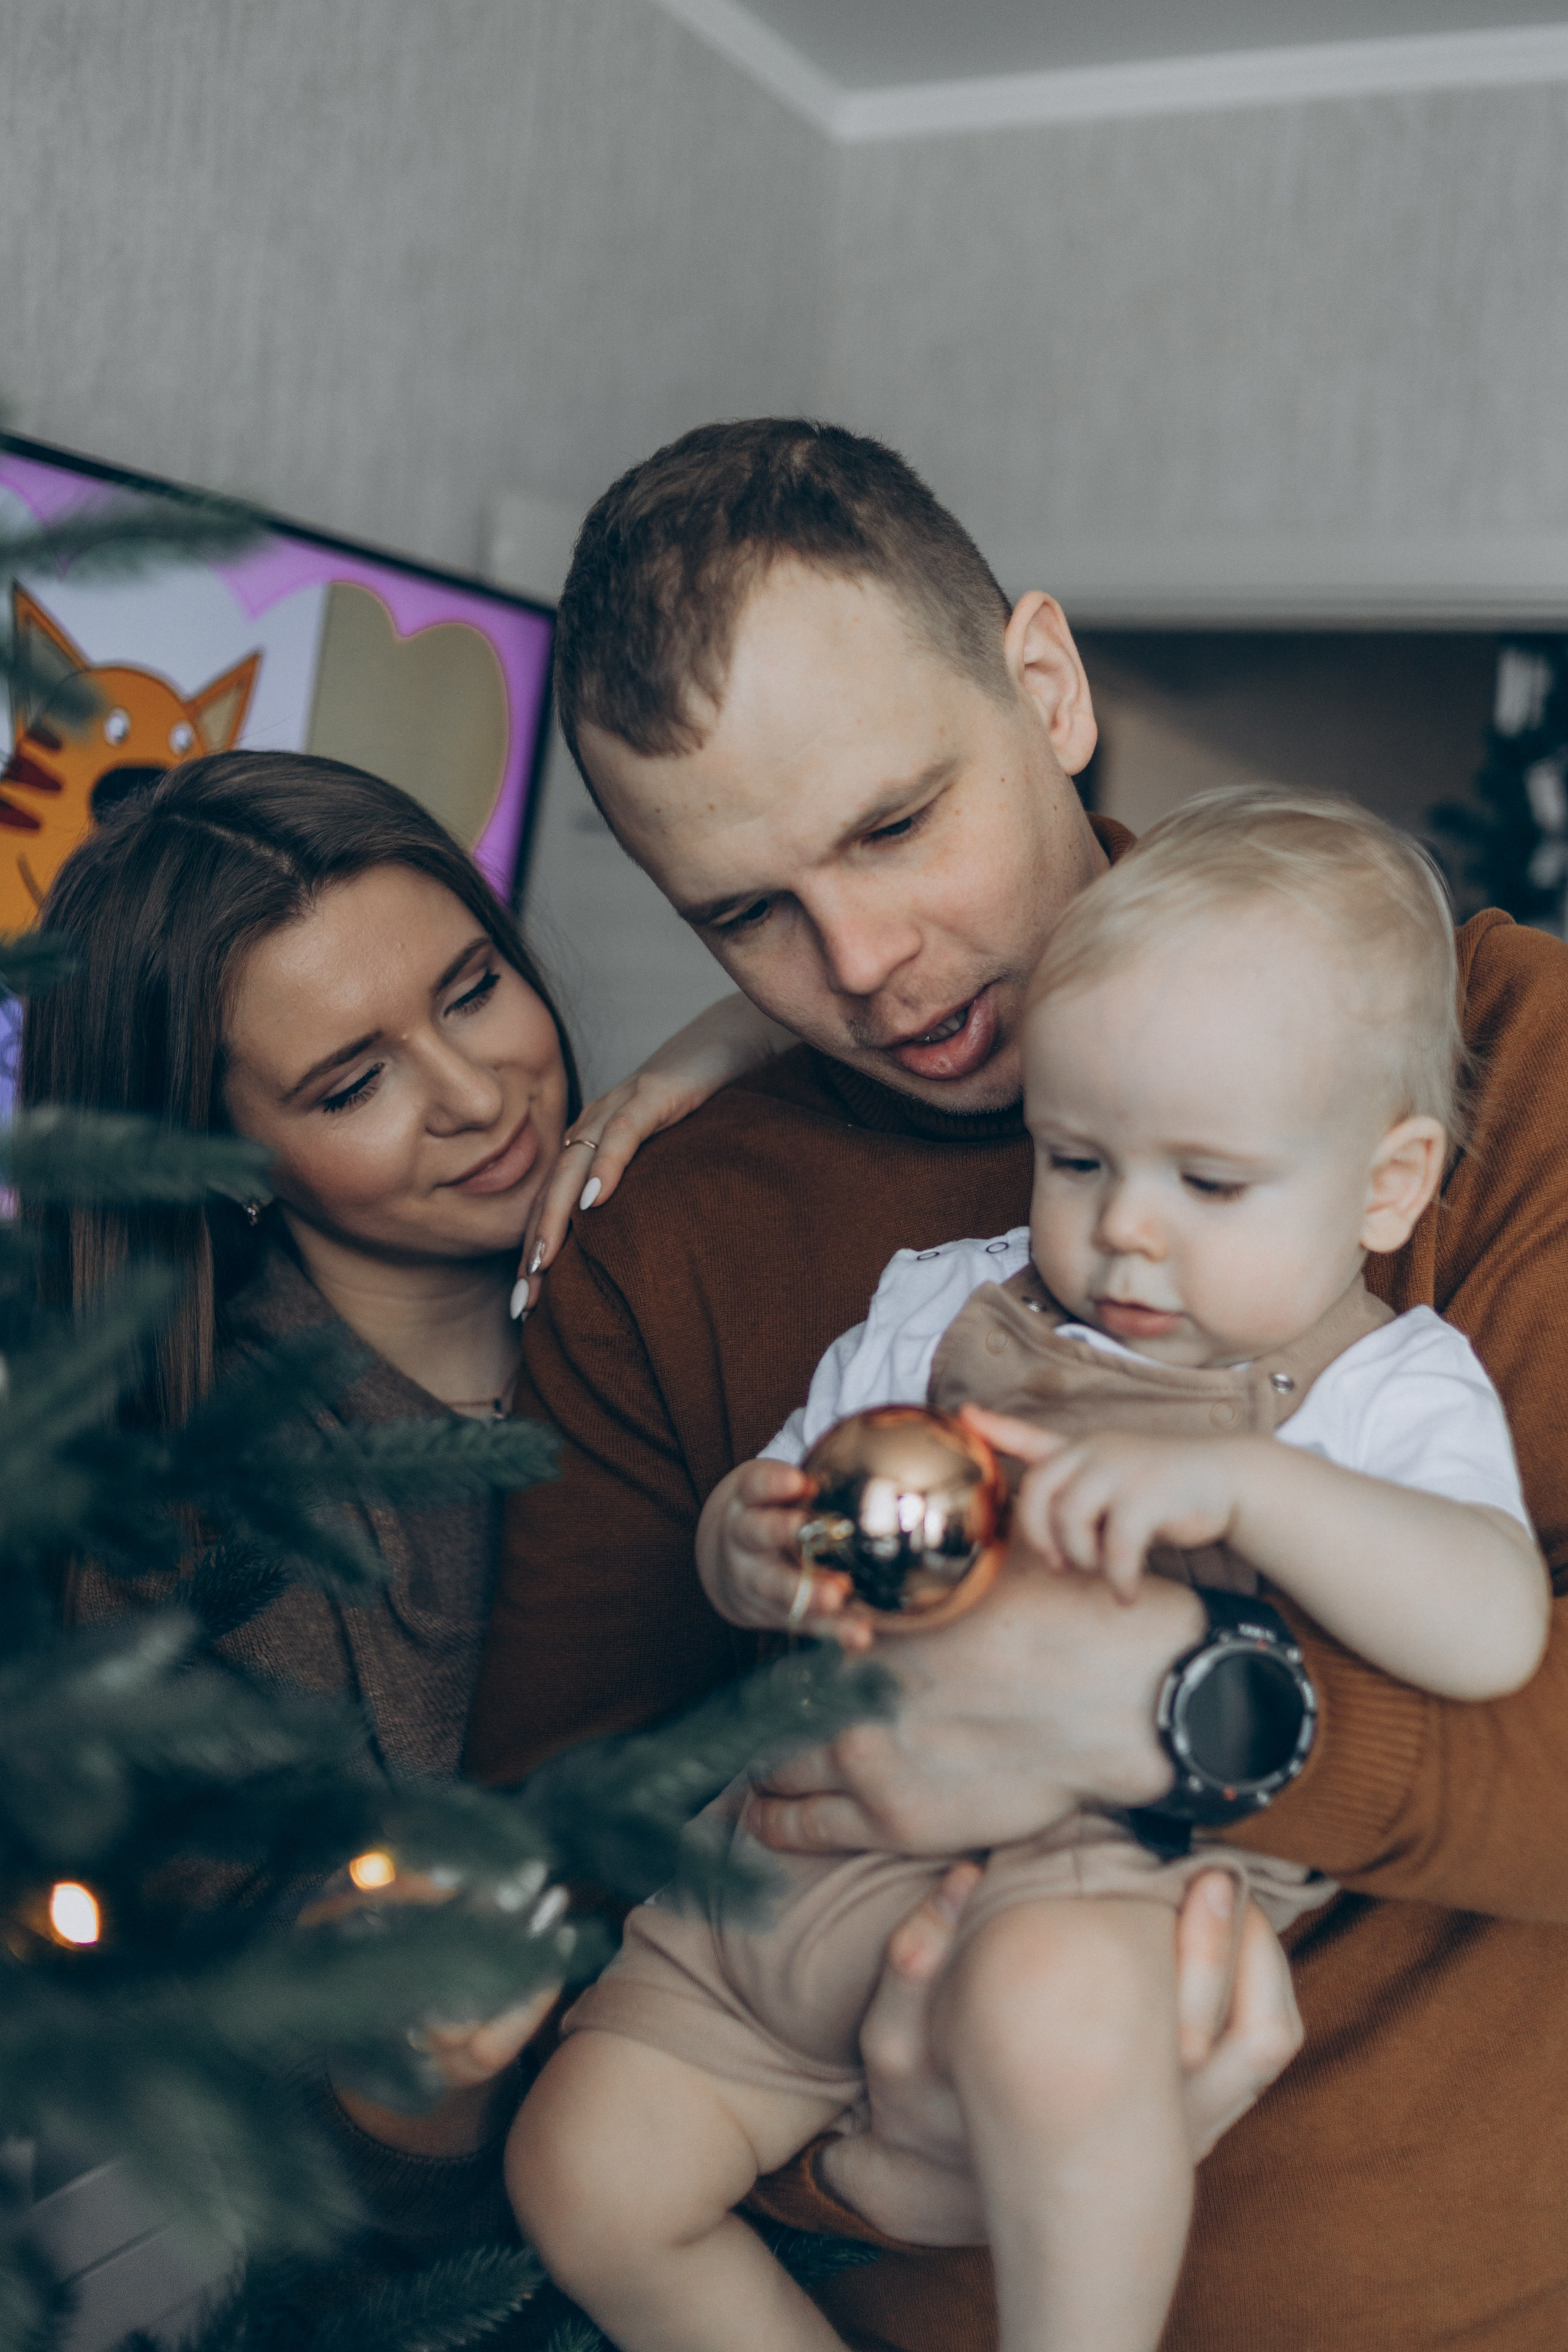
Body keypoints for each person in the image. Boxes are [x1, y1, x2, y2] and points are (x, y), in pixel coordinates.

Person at [466, 418, 1568, 2351]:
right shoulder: (675, 1238)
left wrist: (1201, 1720)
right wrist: (861, 2162)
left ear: (1044, 686)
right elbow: (566, 1844)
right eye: (746, 915)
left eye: (897, 826)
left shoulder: (1501, 1067)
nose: (870, 964)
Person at [17, 747, 794, 2226]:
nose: (472, 1092)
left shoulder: (680, 1261)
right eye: (352, 1082)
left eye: (471, 988)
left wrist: (729, 1050)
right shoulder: (199, 1529)